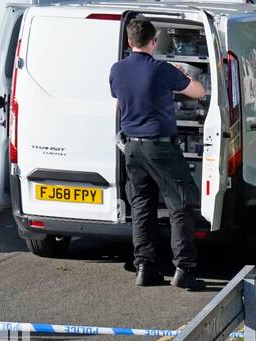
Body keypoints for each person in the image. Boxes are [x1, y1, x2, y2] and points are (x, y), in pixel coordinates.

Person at [109, 16, 208, 290]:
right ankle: (184, 269)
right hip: (160, 146)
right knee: (180, 204)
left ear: (129, 42)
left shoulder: (117, 70)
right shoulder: (162, 69)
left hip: (132, 147)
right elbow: (199, 91)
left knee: (142, 206)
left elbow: (120, 101)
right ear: (154, 42)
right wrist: (183, 74)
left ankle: (145, 267)